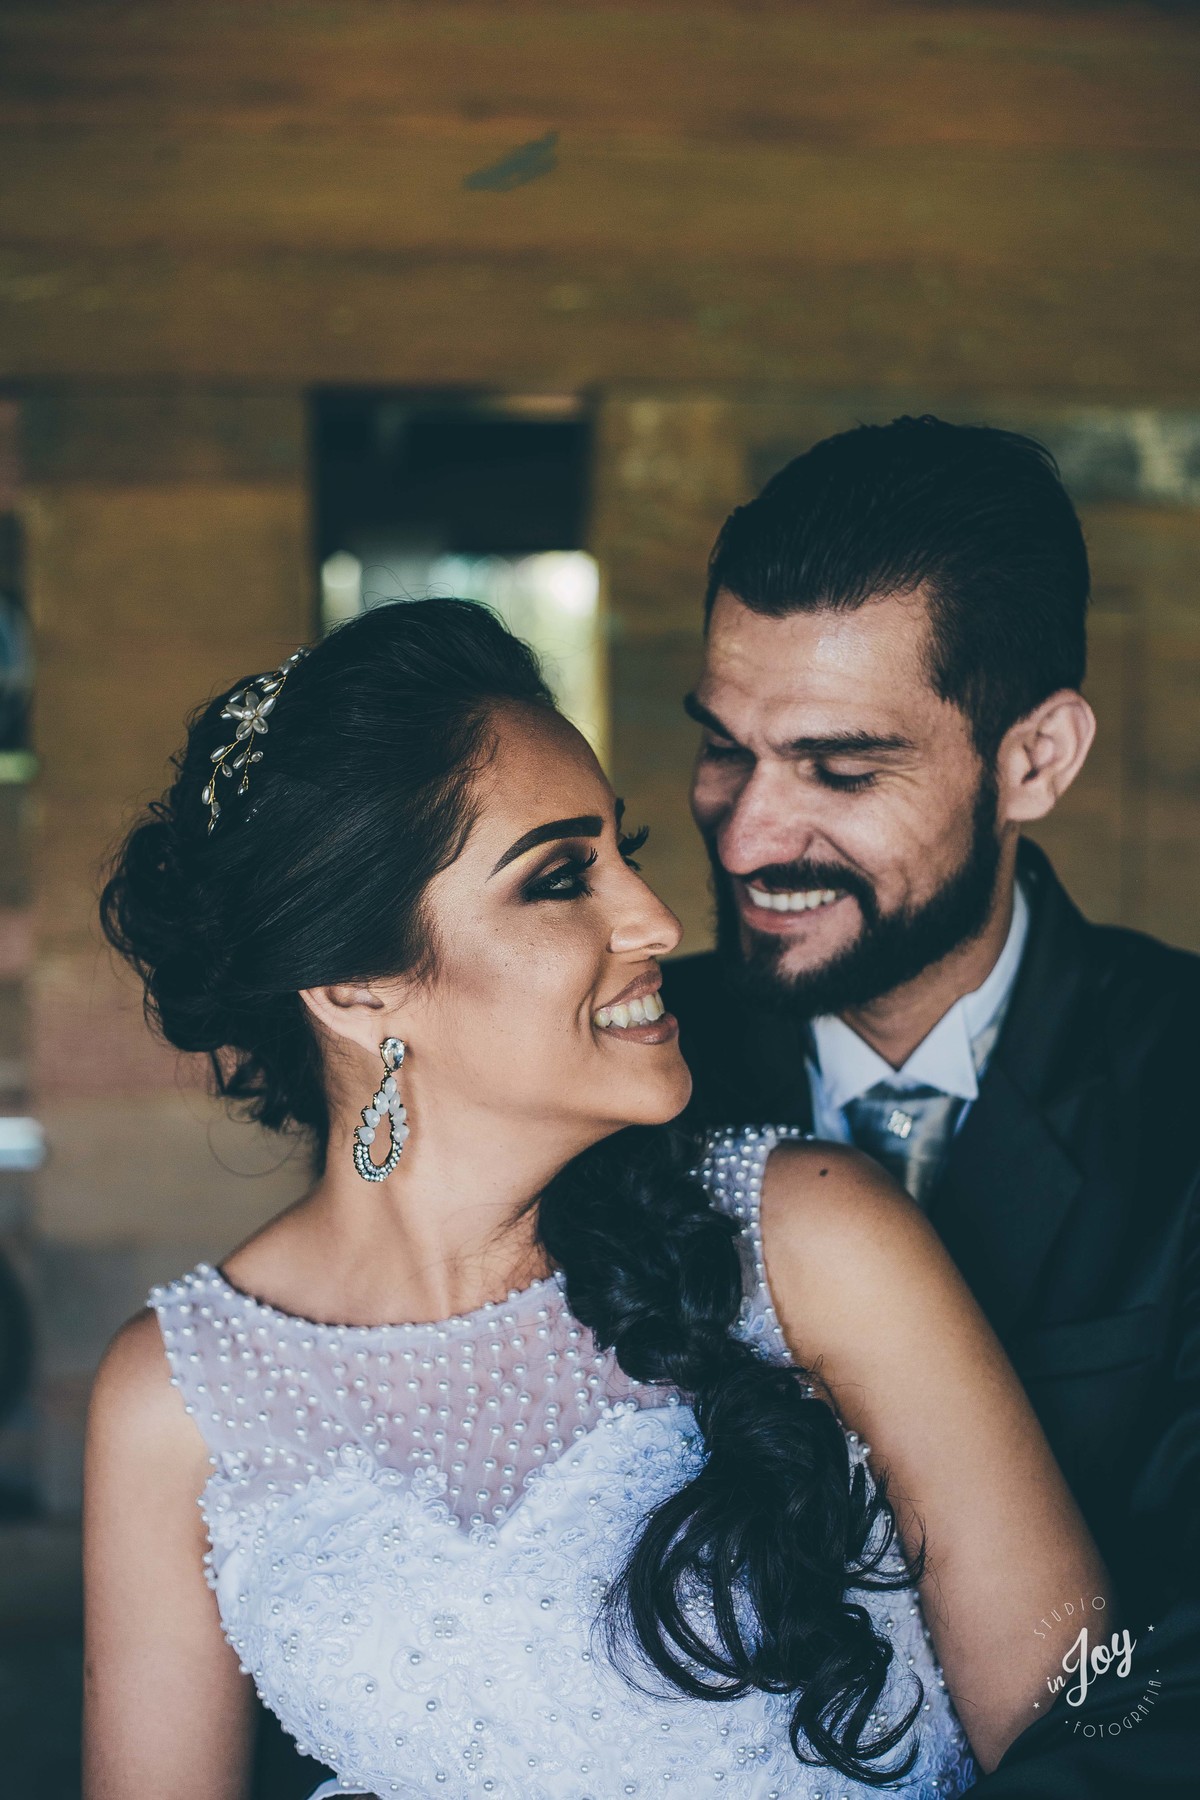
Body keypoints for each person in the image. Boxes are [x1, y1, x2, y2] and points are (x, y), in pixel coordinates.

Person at [83, 598, 1104, 1800]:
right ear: (356, 987)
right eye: (561, 877)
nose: (658, 921)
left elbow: (1097, 1720)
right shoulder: (175, 1396)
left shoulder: (808, 1234)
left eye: (630, 850)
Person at [661, 416, 1200, 1796]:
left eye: (842, 770)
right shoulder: (623, 1077)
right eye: (724, 747)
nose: (746, 833)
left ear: (1036, 760)